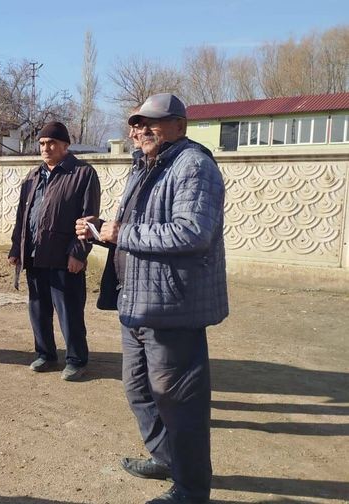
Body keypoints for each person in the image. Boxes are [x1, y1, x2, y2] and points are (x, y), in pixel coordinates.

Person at [76, 93, 228, 503]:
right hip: (137, 301)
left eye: (150, 123)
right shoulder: (145, 166)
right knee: (139, 390)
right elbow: (134, 232)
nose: (140, 130)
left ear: (179, 124)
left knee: (180, 403)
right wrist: (101, 230)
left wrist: (120, 232)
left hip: (173, 307)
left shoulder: (193, 166)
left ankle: (192, 490)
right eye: (136, 124)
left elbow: (192, 233)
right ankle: (166, 458)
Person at [8, 122, 101, 381]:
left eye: (52, 143)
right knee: (38, 309)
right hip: (34, 255)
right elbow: (22, 217)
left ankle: (76, 359)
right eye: (42, 143)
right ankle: (45, 354)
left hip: (64, 257)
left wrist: (78, 253)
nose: (46, 148)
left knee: (69, 311)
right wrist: (16, 248)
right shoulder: (33, 177)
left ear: (65, 145)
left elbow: (89, 219)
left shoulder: (82, 174)